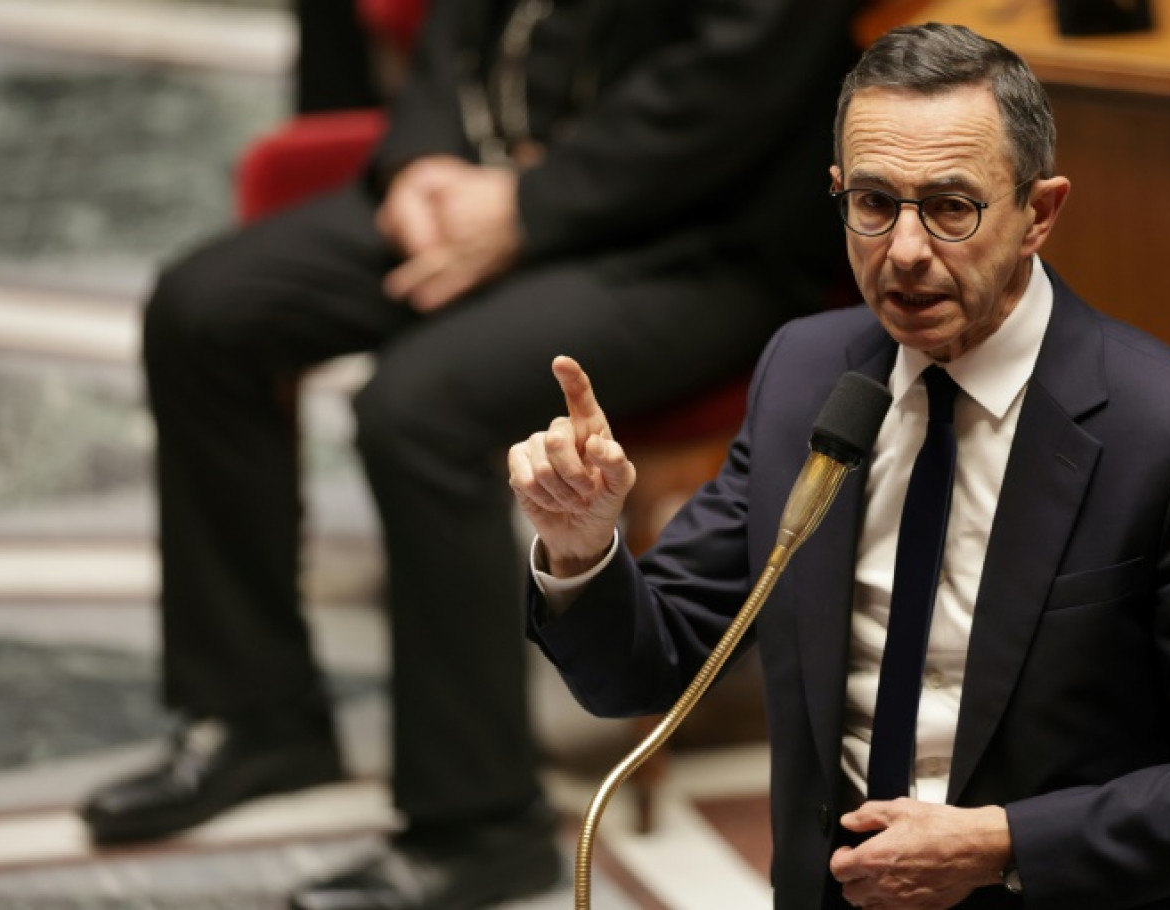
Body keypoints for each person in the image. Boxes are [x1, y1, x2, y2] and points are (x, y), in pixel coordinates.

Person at [511, 22, 1170, 910]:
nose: (903, 251)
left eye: (950, 208)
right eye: (873, 203)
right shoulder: (806, 377)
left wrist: (1004, 844)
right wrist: (584, 548)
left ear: (1038, 213)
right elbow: (646, 668)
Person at [77, 0, 863, 908]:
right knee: (203, 312)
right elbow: (450, 23)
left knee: (418, 406)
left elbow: (738, 85)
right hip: (487, 183)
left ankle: (480, 822)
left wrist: (528, 208)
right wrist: (420, 165)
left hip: (690, 234)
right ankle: (258, 715)